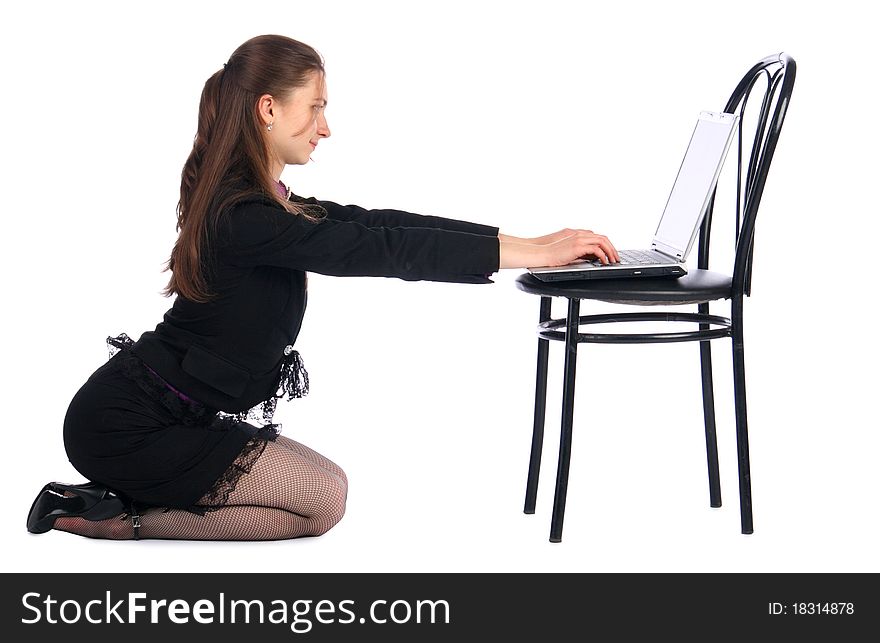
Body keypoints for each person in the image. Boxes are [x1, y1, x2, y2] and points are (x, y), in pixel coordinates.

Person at [26, 34, 619, 541]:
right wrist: (532, 254)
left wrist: (535, 244)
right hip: (125, 427)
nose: (326, 128)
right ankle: (115, 517)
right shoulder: (246, 217)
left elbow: (379, 224)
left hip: (175, 418)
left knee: (319, 495)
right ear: (268, 110)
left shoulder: (269, 205)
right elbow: (380, 250)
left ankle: (111, 501)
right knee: (322, 497)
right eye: (315, 108)